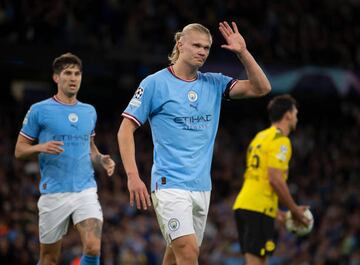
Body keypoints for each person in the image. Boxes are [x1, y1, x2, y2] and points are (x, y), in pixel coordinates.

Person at [117, 21, 271, 265]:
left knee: (175, 254)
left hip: (201, 187)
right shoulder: (154, 84)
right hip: (169, 184)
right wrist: (132, 176)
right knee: (188, 253)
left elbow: (262, 88)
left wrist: (243, 52)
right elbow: (125, 130)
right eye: (197, 45)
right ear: (180, 44)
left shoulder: (214, 83)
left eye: (207, 48)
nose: (202, 51)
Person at [14, 53, 115, 265]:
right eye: (68, 73)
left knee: (93, 247)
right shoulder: (39, 110)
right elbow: (20, 150)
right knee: (49, 258)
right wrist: (42, 147)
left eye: (77, 74)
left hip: (85, 191)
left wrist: (101, 159)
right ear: (56, 78)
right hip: (54, 194)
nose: (73, 78)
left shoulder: (89, 111)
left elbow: (90, 147)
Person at [232, 94, 310, 265]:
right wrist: (294, 210)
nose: (296, 117)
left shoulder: (259, 137)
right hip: (257, 209)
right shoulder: (282, 141)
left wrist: (278, 212)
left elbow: (258, 179)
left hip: (247, 205)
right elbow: (274, 179)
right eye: (295, 113)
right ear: (288, 114)